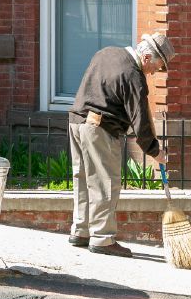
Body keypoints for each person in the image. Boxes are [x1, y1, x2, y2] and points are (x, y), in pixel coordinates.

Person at [68, 33, 176, 257]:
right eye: (157, 66)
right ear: (146, 57)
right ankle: (102, 238)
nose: (155, 72)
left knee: (82, 178)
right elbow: (141, 122)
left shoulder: (106, 53)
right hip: (100, 127)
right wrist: (156, 151)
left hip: (76, 122)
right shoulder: (134, 75)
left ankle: (81, 230)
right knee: (105, 182)